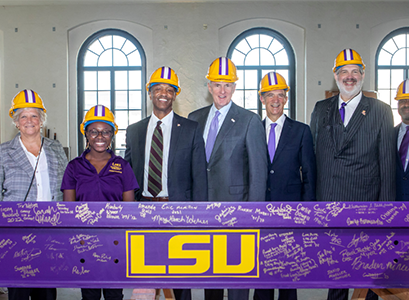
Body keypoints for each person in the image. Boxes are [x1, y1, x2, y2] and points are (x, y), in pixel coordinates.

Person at [310, 49, 395, 300]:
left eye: (355, 72)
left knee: (366, 278)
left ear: (363, 75)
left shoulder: (380, 110)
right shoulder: (321, 108)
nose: (349, 77)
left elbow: (388, 165)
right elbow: (314, 158)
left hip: (365, 209)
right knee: (336, 276)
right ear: (335, 76)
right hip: (329, 206)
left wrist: (386, 214)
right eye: (343, 72)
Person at [125, 67, 207, 300]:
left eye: (169, 89)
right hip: (144, 210)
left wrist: (199, 216)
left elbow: (199, 175)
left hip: (178, 210)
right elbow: (128, 177)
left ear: (175, 95)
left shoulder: (191, 129)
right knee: (145, 274)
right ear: (149, 93)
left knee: (180, 276)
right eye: (158, 88)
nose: (164, 93)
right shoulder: (135, 131)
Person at [188, 57, 267, 300]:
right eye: (217, 84)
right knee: (211, 275)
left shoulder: (249, 120)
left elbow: (258, 173)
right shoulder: (194, 118)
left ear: (235, 87)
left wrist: (253, 215)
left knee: (236, 279)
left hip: (237, 213)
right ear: (209, 86)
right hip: (203, 211)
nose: (222, 91)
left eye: (228, 85)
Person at [0, 89, 68, 300]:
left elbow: (65, 187)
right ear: (16, 121)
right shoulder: (3, 151)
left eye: (34, 115)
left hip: (50, 230)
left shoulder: (55, 148)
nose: (29, 120)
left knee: (47, 291)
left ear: (41, 120)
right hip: (16, 232)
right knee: (19, 291)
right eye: (23, 116)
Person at [61, 105, 138, 300]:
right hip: (85, 241)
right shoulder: (74, 167)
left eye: (106, 132)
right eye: (94, 131)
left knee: (114, 295)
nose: (100, 136)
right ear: (86, 133)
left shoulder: (122, 166)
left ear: (113, 134)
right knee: (90, 295)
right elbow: (69, 210)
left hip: (115, 242)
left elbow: (129, 210)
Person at [254, 72, 316, 300]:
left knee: (288, 273)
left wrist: (307, 213)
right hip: (260, 212)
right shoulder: (252, 130)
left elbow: (309, 174)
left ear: (286, 99)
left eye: (280, 95)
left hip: (291, 213)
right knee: (262, 271)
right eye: (270, 95)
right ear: (262, 99)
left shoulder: (301, 131)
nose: (276, 100)